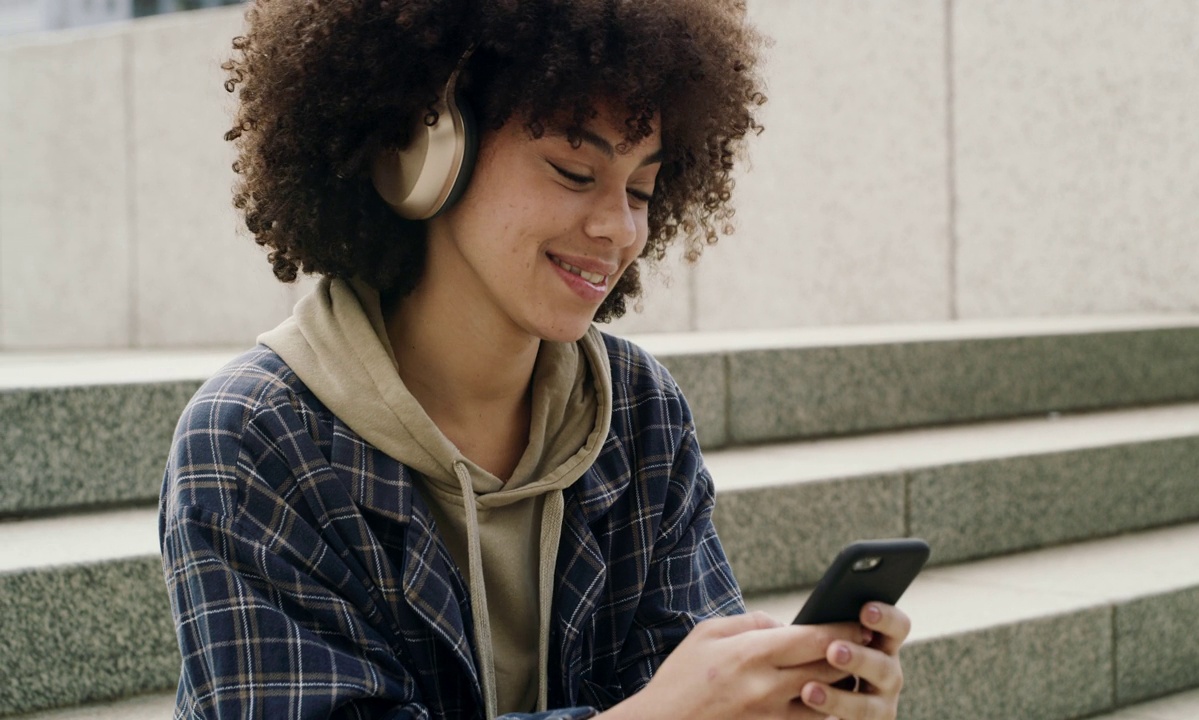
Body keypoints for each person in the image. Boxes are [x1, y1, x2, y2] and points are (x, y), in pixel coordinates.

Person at [159, 1, 913, 718]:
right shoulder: (254, 443)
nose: (618, 228)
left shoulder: (636, 412)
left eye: (644, 188)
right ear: (426, 153)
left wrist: (788, 703)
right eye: (574, 173)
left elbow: (689, 684)